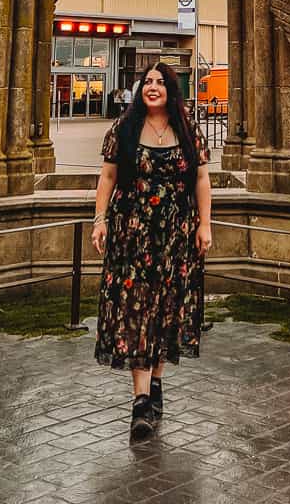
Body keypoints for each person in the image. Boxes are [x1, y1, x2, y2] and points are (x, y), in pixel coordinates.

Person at [91, 61, 212, 441]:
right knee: (135, 309)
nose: (153, 87)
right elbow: (108, 177)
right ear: (139, 89)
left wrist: (204, 224)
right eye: (147, 82)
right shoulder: (123, 129)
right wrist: (100, 219)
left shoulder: (188, 129)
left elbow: (202, 179)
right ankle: (141, 402)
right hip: (133, 234)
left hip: (175, 236)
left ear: (171, 90)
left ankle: (156, 384)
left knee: (166, 309)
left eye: (160, 82)